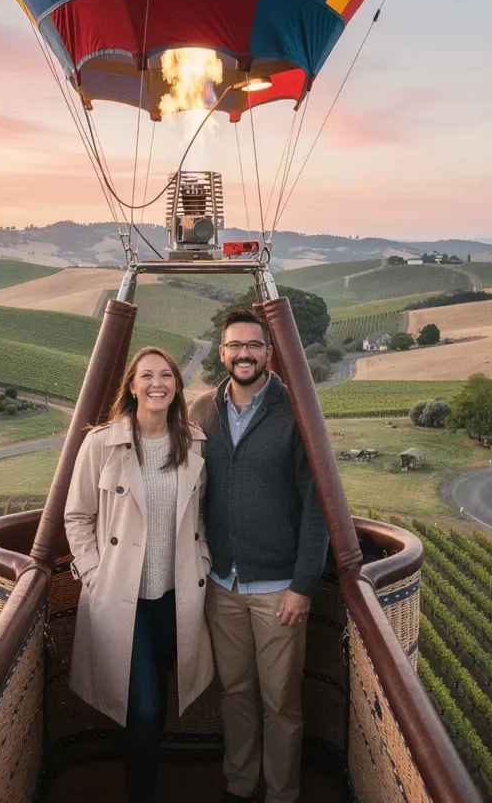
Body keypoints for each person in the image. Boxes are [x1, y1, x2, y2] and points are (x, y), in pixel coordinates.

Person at [64, 346, 215, 803]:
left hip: (177, 598)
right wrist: (94, 573)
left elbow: (202, 517)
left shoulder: (194, 443)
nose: (157, 384)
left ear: (177, 385)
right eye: (146, 376)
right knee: (146, 708)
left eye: (166, 375)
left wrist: (203, 559)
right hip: (123, 600)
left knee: (158, 698)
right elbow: (76, 517)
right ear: (131, 386)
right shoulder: (100, 443)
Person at [191, 309, 329, 803]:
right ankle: (240, 784)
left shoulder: (297, 412)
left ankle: (281, 793)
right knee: (235, 694)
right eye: (234, 345)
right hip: (221, 585)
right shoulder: (202, 411)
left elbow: (318, 504)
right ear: (221, 351)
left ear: (269, 353)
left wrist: (304, 583)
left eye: (254, 345)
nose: (244, 353)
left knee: (281, 703)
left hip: (278, 591)